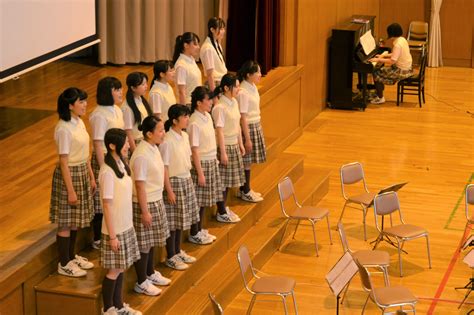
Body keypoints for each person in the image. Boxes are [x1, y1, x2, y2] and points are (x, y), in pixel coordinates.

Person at [50, 87, 95, 277]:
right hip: (70, 174)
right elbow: (63, 161)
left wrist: (91, 176)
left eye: (85, 101)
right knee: (66, 222)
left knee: (75, 220)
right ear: (70, 106)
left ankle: (71, 256)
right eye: (81, 102)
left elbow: (85, 152)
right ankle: (64, 263)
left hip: (82, 171)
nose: (85, 105)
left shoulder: (79, 122)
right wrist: (70, 190)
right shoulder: (63, 128)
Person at [99, 128, 141, 315]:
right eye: (123, 142)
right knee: (114, 270)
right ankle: (108, 309)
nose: (127, 145)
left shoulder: (121, 164)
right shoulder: (107, 172)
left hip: (126, 225)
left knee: (121, 267)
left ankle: (119, 306)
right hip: (114, 230)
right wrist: (113, 236)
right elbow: (106, 206)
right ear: (112, 146)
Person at [130, 116, 171, 296]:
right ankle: (141, 281)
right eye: (160, 131)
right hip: (144, 204)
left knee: (152, 240)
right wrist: (145, 211)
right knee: (144, 244)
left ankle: (150, 273)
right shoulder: (141, 155)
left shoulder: (153, 148)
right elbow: (140, 185)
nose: (163, 134)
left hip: (156, 199)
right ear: (148, 134)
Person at [160, 105, 199, 270]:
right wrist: (169, 190)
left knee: (181, 220)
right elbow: (165, 168)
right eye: (184, 117)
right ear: (175, 120)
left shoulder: (184, 135)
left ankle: (177, 251)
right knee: (173, 221)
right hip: (174, 182)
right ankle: (171, 255)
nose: (187, 119)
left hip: (186, 178)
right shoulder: (167, 141)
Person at [89, 77, 125, 250]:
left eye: (120, 89)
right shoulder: (98, 114)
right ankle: (97, 237)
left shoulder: (117, 110)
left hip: (117, 157)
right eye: (116, 90)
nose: (120, 92)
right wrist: (105, 166)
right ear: (106, 92)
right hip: (104, 159)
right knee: (101, 200)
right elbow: (97, 143)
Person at [187, 86, 224, 244]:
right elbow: (194, 150)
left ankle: (199, 229)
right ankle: (194, 232)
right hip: (201, 163)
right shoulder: (194, 122)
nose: (211, 102)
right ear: (198, 103)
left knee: (204, 200)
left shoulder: (207, 116)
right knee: (199, 200)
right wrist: (200, 173)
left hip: (210, 160)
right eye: (208, 100)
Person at [212, 74, 245, 223]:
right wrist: (223, 152)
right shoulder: (220, 107)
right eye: (236, 86)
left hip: (234, 145)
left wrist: (241, 144)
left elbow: (237, 125)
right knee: (223, 182)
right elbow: (219, 131)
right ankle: (221, 211)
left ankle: (224, 208)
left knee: (229, 181)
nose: (238, 89)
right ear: (226, 88)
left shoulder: (234, 103)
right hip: (224, 147)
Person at [237, 61, 266, 203]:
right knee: (246, 161)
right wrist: (247, 138)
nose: (260, 75)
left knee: (249, 161)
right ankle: (245, 190)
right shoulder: (242, 91)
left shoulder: (253, 87)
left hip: (255, 124)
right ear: (248, 75)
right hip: (247, 127)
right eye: (258, 72)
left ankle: (245, 188)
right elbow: (242, 116)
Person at [370, 23, 413, 104]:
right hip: (407, 68)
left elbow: (392, 60)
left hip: (401, 71)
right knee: (379, 70)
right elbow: (395, 54)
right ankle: (378, 93)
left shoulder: (397, 44)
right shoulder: (402, 39)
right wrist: (383, 55)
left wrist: (379, 59)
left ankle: (380, 97)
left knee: (376, 73)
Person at [122, 72, 152, 155]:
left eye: (146, 83)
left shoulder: (141, 100)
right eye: (142, 84)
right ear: (133, 88)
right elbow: (128, 132)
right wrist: (135, 152)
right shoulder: (127, 108)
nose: (146, 86)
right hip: (136, 143)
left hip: (145, 140)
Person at [172, 32, 202, 105]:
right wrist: (184, 111)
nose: (198, 47)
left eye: (198, 44)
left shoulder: (191, 60)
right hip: (188, 104)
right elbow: (181, 91)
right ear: (186, 45)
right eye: (195, 44)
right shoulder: (181, 65)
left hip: (196, 102)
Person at [200, 17, 227, 92]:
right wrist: (214, 95)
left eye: (223, 29)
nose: (223, 31)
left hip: (221, 81)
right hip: (215, 84)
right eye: (221, 29)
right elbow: (210, 75)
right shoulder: (208, 48)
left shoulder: (216, 43)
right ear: (212, 30)